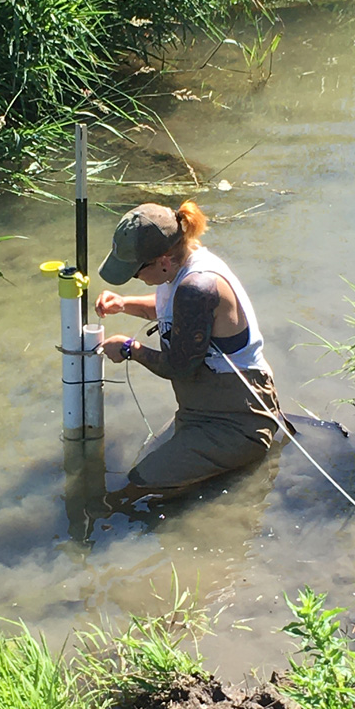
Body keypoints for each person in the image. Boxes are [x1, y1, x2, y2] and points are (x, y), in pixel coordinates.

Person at [96, 200, 282, 495]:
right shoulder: (180, 266)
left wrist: (130, 348)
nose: (137, 279)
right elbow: (171, 311)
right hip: (199, 410)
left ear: (163, 260)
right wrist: (124, 304)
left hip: (237, 421)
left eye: (135, 272)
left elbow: (180, 366)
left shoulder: (198, 287)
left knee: (139, 486)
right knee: (143, 463)